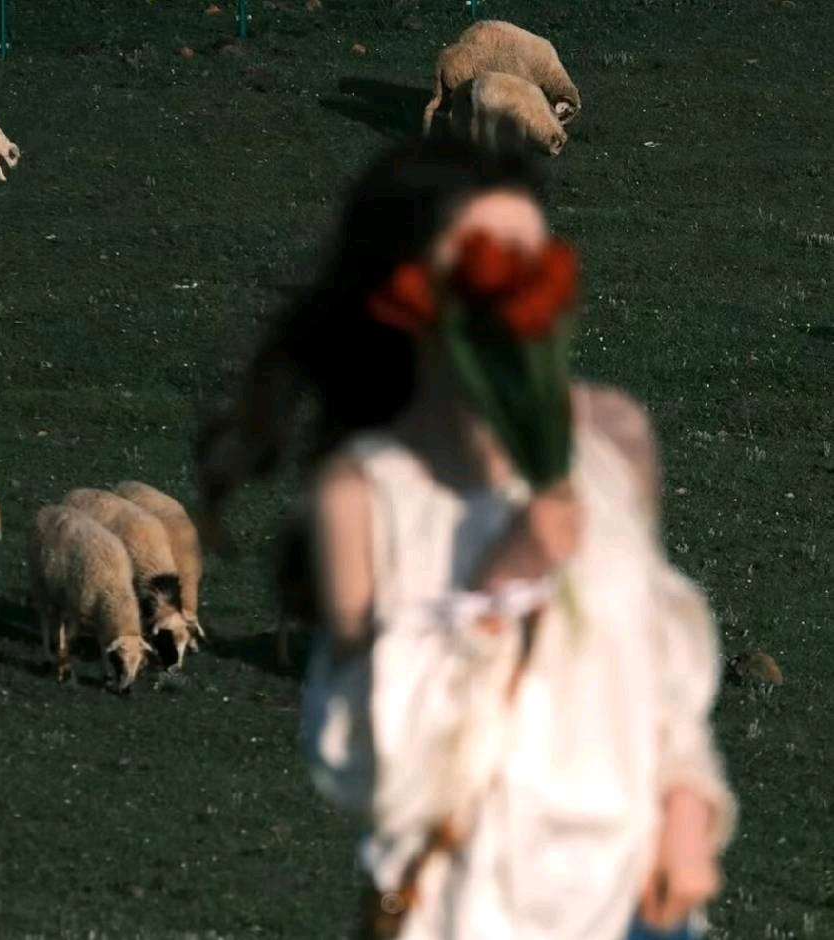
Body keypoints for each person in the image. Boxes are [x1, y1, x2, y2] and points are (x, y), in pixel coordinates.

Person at [196, 137, 736, 940]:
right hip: (478, 913)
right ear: (410, 289)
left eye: (533, 258)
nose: (518, 289)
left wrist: (688, 815)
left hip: (644, 910)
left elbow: (662, 681)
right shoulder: (366, 493)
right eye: (489, 260)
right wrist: (499, 580)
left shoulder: (610, 446)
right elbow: (372, 765)